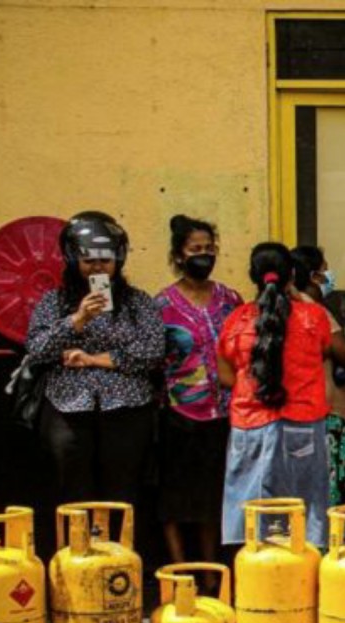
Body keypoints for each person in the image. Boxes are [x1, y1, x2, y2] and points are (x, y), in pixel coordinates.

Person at [26, 211, 163, 507]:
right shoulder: (54, 301)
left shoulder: (137, 302)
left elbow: (152, 351)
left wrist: (92, 359)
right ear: (74, 261)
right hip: (68, 408)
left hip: (127, 408)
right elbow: (36, 350)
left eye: (105, 260)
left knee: (122, 490)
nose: (98, 267)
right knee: (73, 492)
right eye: (89, 261)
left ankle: (120, 538)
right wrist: (76, 320)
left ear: (118, 260)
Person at [218, 243, 331, 549]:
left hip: (249, 426)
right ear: (291, 275)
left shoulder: (236, 321)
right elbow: (323, 351)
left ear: (253, 276)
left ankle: (254, 572)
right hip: (302, 424)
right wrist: (298, 295)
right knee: (302, 517)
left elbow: (226, 376)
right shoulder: (313, 317)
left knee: (251, 517)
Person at [154, 214, 242, 567]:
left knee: (213, 496)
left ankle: (210, 573)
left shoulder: (230, 299)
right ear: (179, 255)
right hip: (179, 412)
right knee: (174, 498)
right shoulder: (162, 305)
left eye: (209, 248)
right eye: (195, 249)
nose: (203, 255)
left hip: (224, 412)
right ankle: (179, 570)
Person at [291, 246, 345, 512]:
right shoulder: (314, 311)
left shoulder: (292, 308)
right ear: (314, 276)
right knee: (339, 498)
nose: (329, 276)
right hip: (331, 415)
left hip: (306, 413)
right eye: (325, 270)